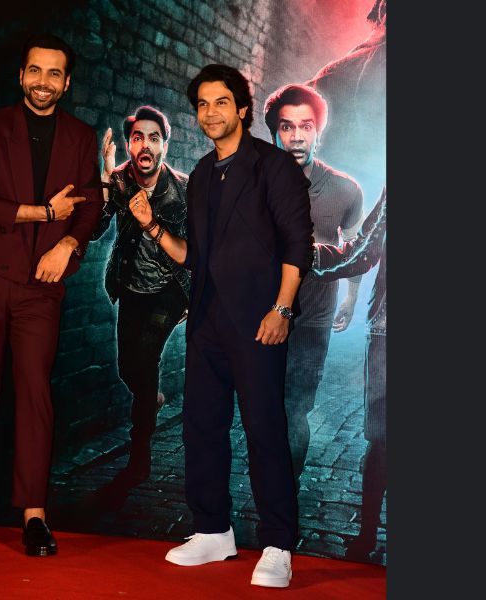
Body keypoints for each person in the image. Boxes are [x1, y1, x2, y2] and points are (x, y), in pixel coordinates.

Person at [128, 64, 313, 589]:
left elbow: (298, 245)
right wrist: (151, 226)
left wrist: (282, 310)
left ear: (243, 109)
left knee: (264, 430)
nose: (210, 113)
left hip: (259, 321)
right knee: (201, 427)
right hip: (207, 320)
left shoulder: (274, 167)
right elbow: (195, 256)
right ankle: (213, 530)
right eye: (203, 104)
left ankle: (278, 543)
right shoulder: (204, 174)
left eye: (221, 102)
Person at [0, 33, 103, 556]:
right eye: (35, 71)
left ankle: (34, 514)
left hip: (41, 285)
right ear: (21, 75)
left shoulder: (81, 136)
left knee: (35, 393)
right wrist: (43, 213)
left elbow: (90, 204)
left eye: (54, 73)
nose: (43, 82)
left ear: (66, 82)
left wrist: (68, 244)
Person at [263, 83, 364, 490]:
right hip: (263, 316)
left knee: (296, 406)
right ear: (275, 133)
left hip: (313, 320)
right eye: (287, 127)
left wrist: (351, 297)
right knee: (265, 406)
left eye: (306, 126)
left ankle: (284, 487)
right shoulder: (253, 184)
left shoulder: (345, 189)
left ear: (318, 132)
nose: (297, 136)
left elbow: (355, 251)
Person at [92, 106, 190, 484]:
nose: (145, 145)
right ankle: (152, 401)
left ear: (165, 145)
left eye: (153, 138)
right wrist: (105, 178)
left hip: (169, 291)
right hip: (131, 286)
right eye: (137, 138)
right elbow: (94, 230)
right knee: (127, 369)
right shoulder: (119, 180)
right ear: (130, 145)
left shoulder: (184, 190)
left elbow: (197, 251)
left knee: (146, 362)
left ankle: (139, 454)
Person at [312, 187, 386, 561]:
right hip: (388, 331)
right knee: (382, 437)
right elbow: (365, 249)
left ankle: (368, 534)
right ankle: (368, 532)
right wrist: (314, 257)